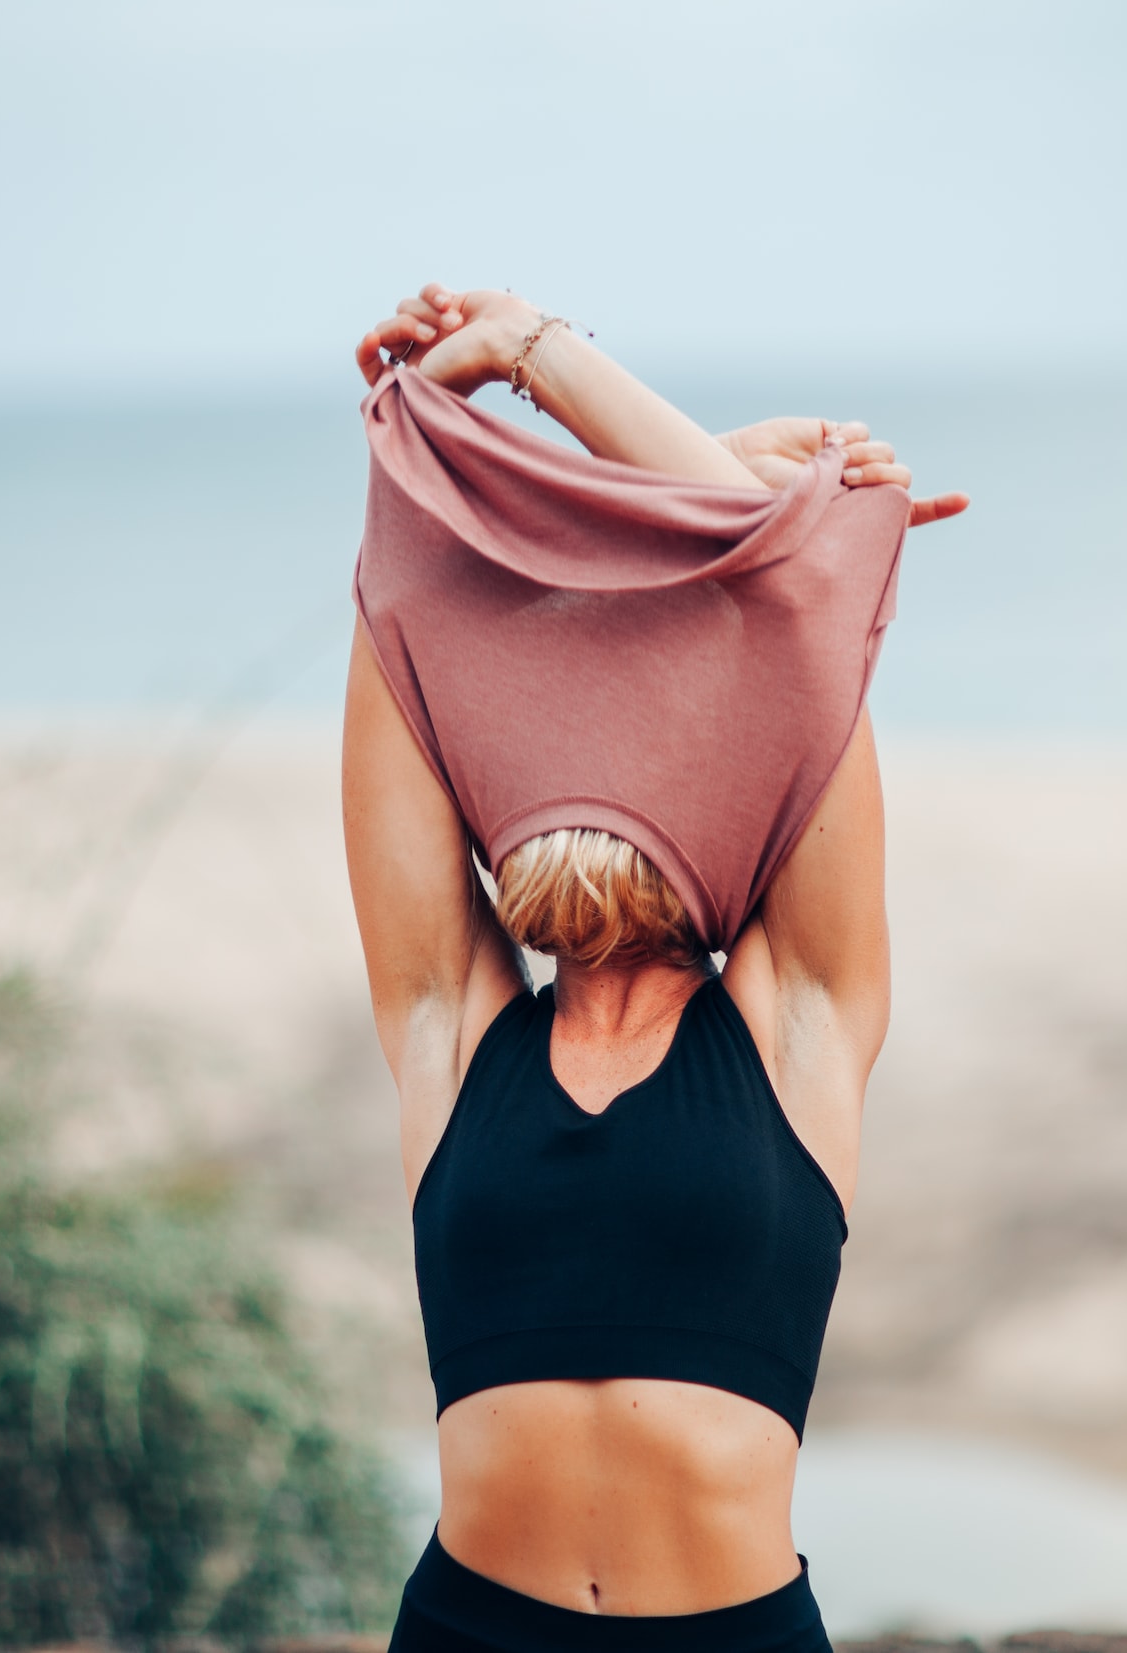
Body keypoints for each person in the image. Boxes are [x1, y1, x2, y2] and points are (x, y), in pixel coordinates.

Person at [343, 283, 965, 1652]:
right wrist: (438, 428)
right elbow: (407, 590)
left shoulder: (801, 1022)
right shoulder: (453, 1030)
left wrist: (540, 362)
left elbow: (797, 606)